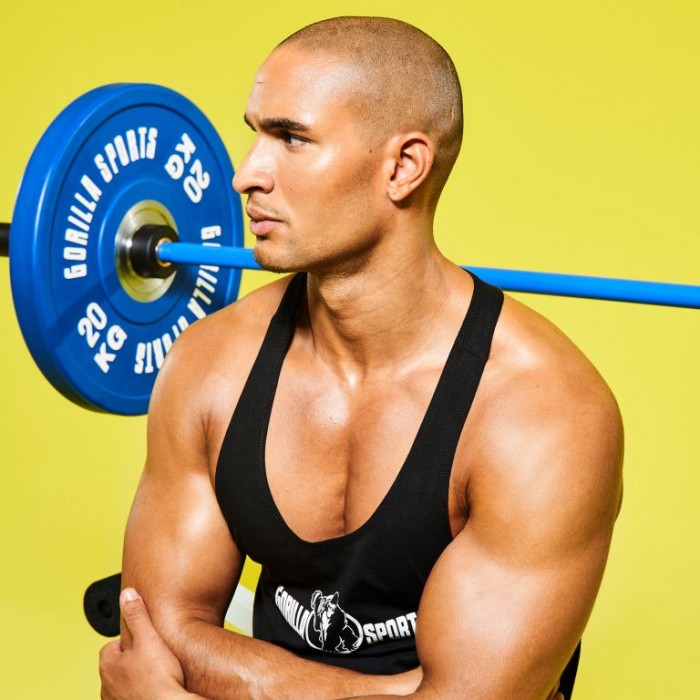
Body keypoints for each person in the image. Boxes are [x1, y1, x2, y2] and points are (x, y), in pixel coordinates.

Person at [99, 16, 623, 700]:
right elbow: (155, 638)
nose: (245, 175)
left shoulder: (544, 416)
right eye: (255, 134)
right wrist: (397, 691)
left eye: (291, 138)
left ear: (403, 167)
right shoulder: (211, 365)